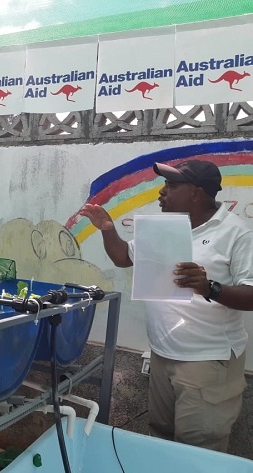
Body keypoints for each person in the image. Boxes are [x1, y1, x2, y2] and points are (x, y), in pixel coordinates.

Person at [80, 159, 253, 452]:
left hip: (207, 362)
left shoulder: (238, 233)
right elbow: (124, 257)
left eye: (171, 186)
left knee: (197, 450)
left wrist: (209, 287)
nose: (162, 193)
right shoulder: (162, 228)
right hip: (162, 355)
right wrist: (108, 229)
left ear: (197, 193)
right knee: (160, 439)